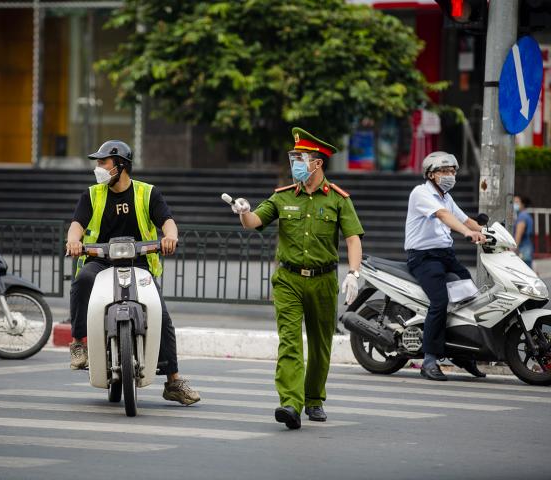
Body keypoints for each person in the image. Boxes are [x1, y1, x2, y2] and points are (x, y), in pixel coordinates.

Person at [228, 127, 364, 429]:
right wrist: (243, 210)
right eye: (293, 158)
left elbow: (353, 238)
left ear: (318, 163)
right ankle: (290, 402)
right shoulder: (283, 197)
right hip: (288, 280)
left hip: (323, 280)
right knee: (290, 342)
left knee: (319, 344)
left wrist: (354, 273)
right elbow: (254, 222)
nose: (295, 164)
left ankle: (314, 398)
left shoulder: (338, 200)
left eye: (300, 158)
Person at [66, 139, 200, 406]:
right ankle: (78, 342)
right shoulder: (92, 194)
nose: (98, 167)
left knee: (160, 314)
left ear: (120, 165)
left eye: (103, 162)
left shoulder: (147, 193)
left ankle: (173, 381)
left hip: (139, 263)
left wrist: (170, 237)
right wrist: (73, 241)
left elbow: (167, 222)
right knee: (82, 280)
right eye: (98, 163)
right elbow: (76, 225)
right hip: (101, 261)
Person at [405, 151, 486, 381]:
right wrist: (468, 233)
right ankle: (429, 360)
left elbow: (464, 219)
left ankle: (460, 353)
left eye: (452, 171)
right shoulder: (421, 193)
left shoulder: (446, 197)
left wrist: (491, 232)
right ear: (430, 174)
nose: (450, 175)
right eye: (444, 171)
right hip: (423, 257)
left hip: (445, 255)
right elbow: (443, 216)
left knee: (470, 295)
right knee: (440, 301)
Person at [513, 195, 534, 268]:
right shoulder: (526, 215)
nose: (514, 204)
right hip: (527, 248)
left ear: (523, 204)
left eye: (516, 202)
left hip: (523, 250)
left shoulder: (522, 216)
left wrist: (514, 247)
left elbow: (519, 234)